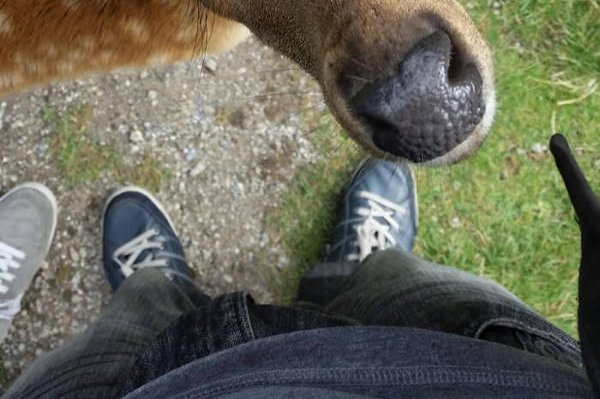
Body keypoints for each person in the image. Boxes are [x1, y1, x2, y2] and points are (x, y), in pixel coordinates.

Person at [0, 156, 593, 398]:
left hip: (137, 388)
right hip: (488, 369)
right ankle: (362, 268)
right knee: (397, 287)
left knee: (136, 325)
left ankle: (155, 291)